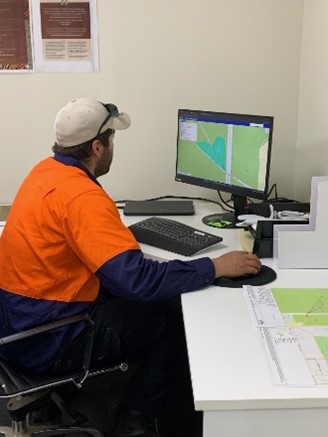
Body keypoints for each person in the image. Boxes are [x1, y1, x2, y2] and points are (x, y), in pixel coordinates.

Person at [0, 97, 261, 437]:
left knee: (146, 299)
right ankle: (138, 422)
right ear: (97, 146)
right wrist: (214, 267)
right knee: (170, 316)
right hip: (49, 339)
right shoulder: (82, 197)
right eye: (111, 140)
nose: (112, 148)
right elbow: (135, 281)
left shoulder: (45, 172)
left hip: (17, 323)